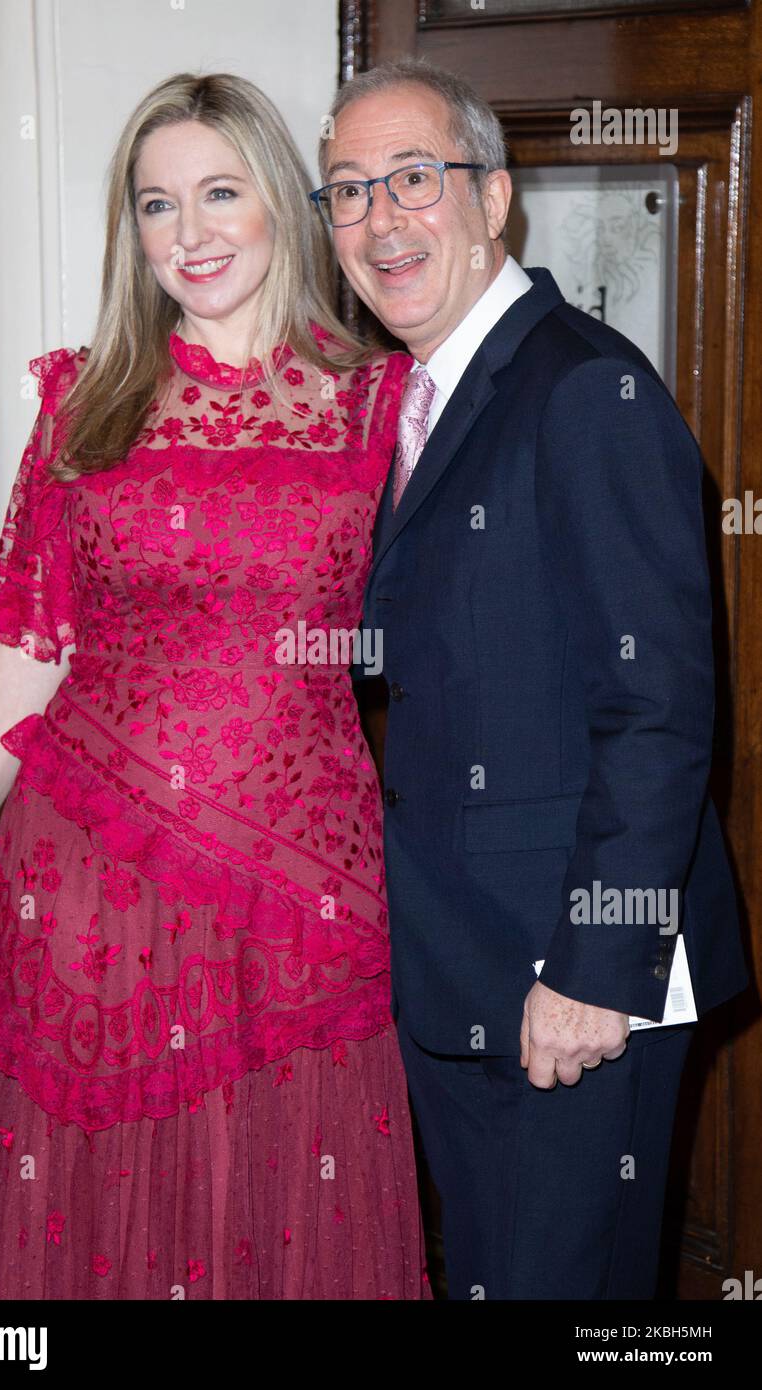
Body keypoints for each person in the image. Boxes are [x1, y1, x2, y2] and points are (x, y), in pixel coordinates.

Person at [0, 71, 431, 1301]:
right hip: (90, 878)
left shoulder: (380, 403)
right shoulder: (84, 403)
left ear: (282, 208)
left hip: (299, 879)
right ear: (128, 231)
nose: (188, 234)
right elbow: (34, 644)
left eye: (217, 194)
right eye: (155, 205)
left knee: (289, 1203)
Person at [314, 57, 749, 1300]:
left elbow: (656, 709)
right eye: (346, 192)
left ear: (491, 199)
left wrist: (587, 976)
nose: (379, 221)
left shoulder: (581, 387)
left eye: (411, 179)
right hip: (462, 965)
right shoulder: (417, 397)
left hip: (566, 985)